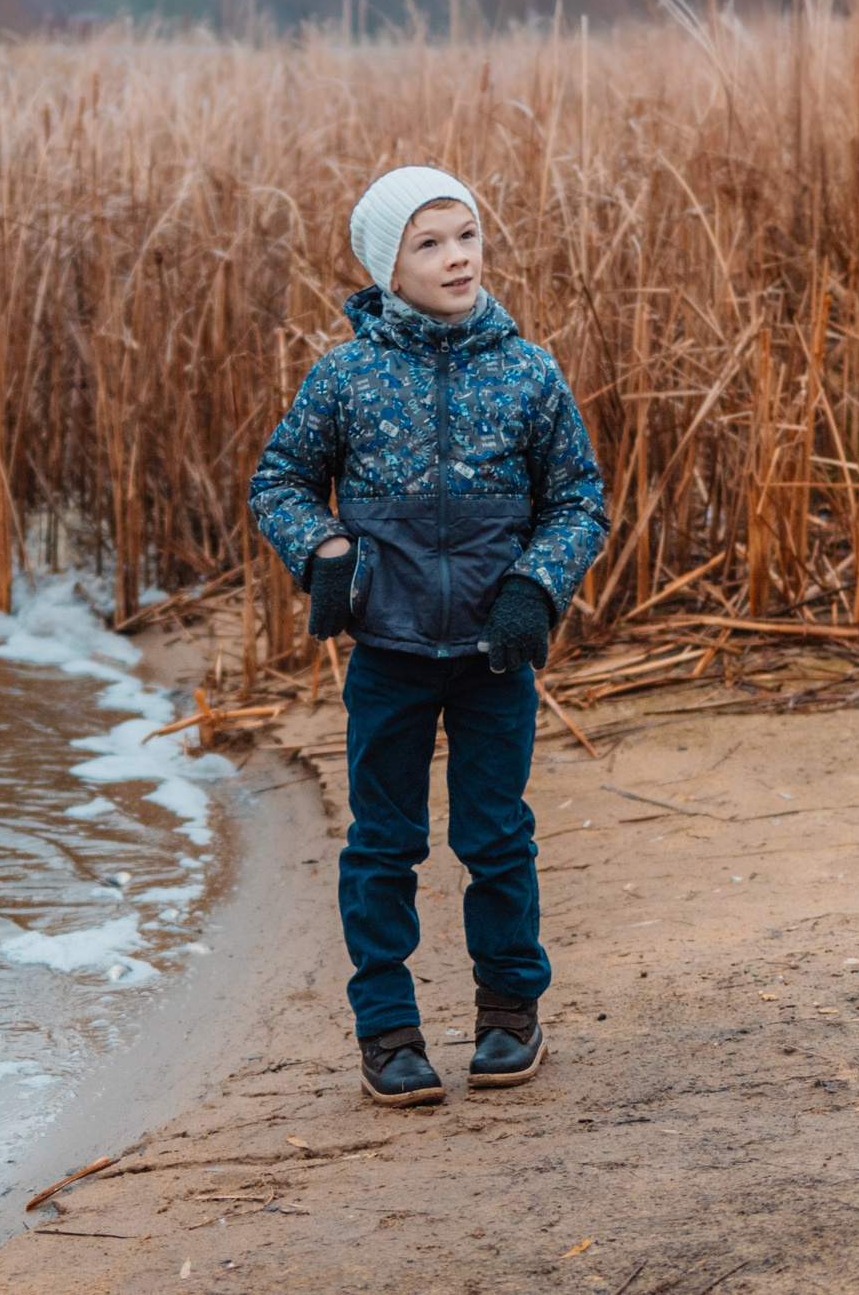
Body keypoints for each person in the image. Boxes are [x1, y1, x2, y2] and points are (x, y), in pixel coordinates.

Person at [249, 165, 607, 1107]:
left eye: (466, 235)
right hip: (391, 654)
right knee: (383, 844)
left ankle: (508, 1013)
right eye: (430, 243)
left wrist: (536, 584)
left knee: (497, 837)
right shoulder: (347, 376)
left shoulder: (529, 371)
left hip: (497, 653)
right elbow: (277, 480)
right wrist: (325, 549)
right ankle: (389, 1031)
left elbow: (578, 499)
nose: (457, 258)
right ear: (388, 268)